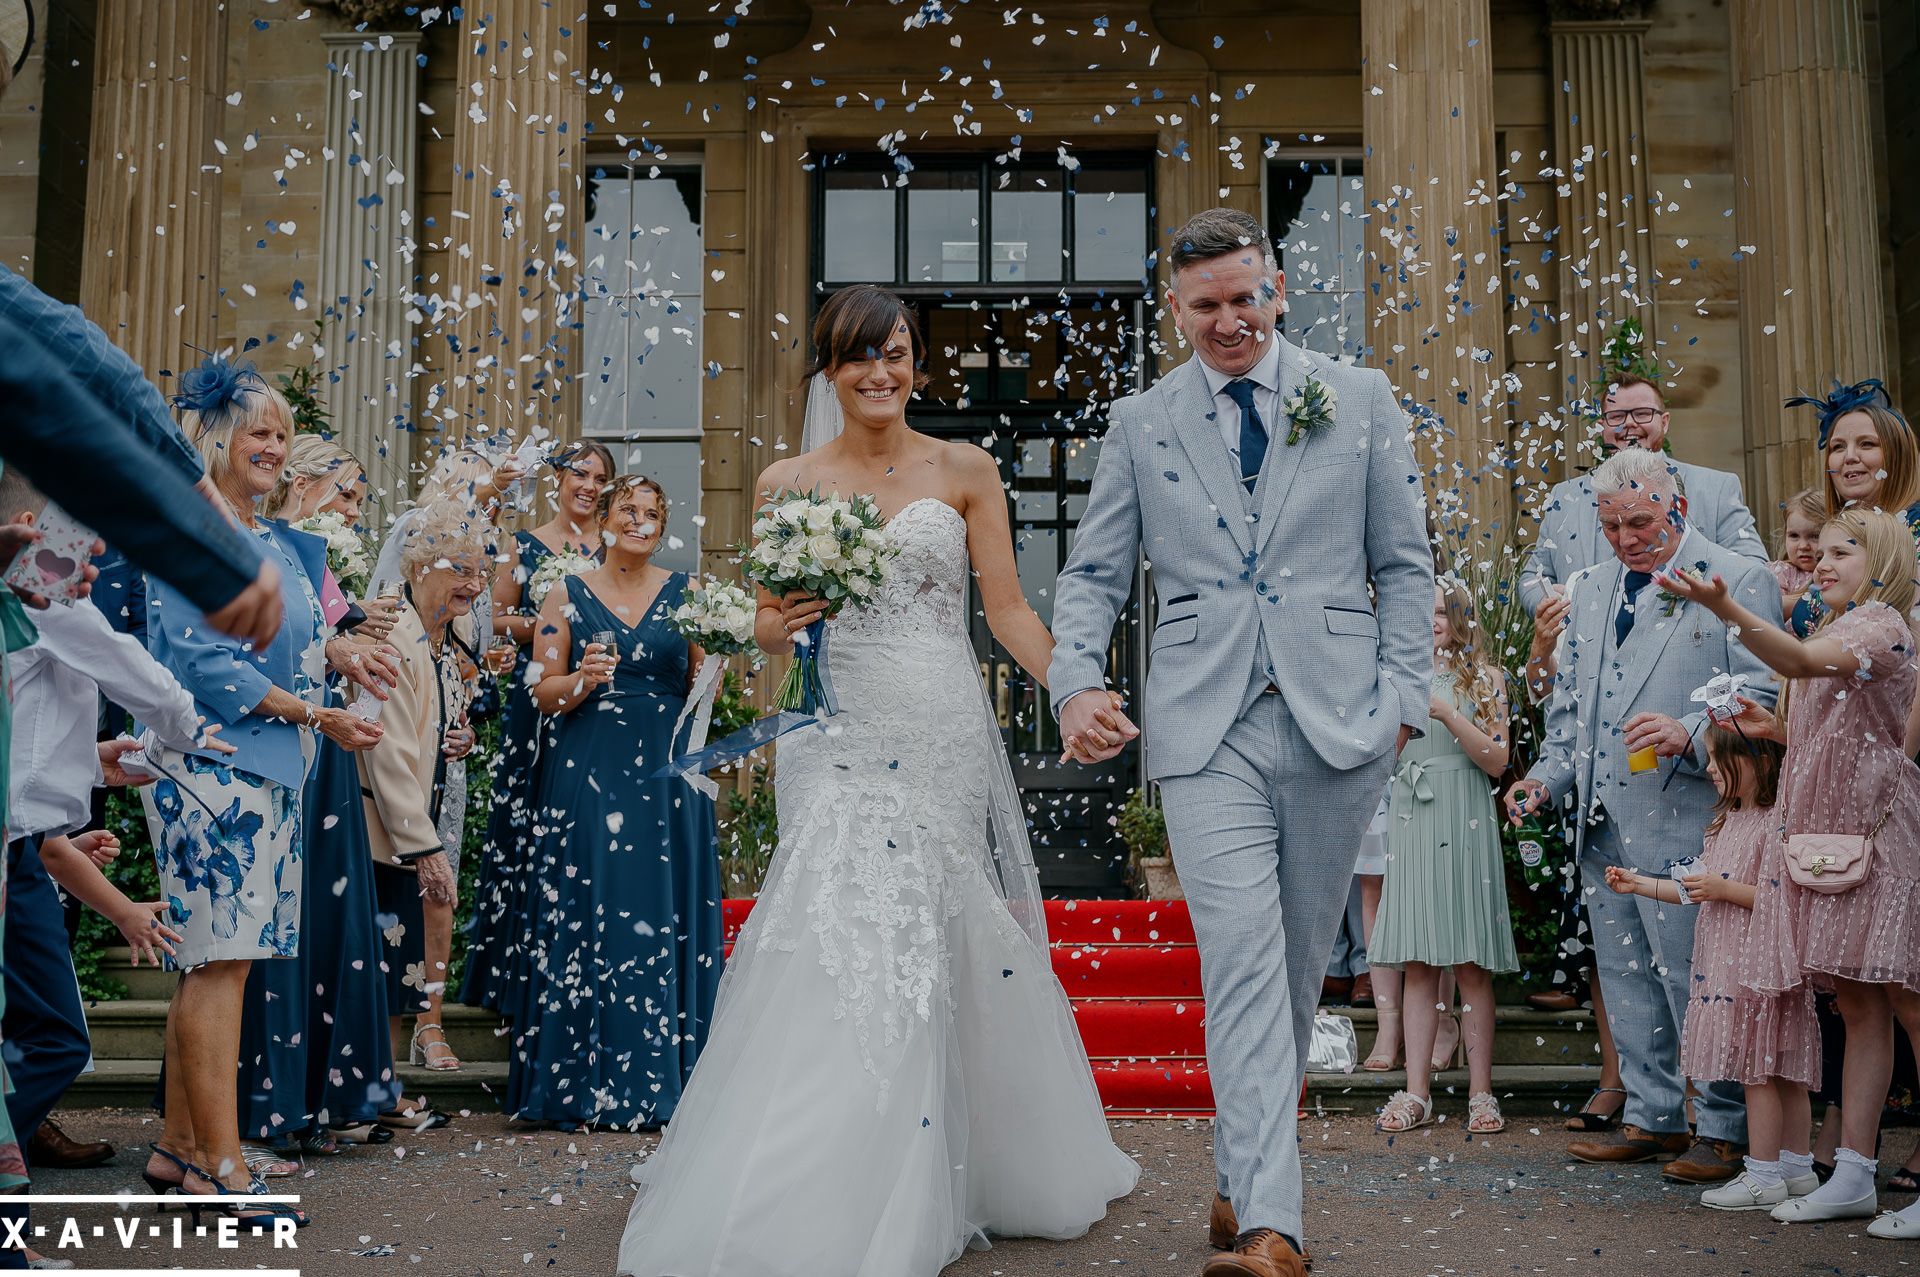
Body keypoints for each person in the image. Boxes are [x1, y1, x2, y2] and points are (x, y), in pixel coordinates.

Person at [616, 285, 1138, 1276]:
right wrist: (781, 616)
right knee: (832, 921)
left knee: (927, 921)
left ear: (919, 365)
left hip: (936, 721)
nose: (880, 371)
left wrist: (1077, 691)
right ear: (829, 368)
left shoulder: (966, 468)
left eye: (896, 353)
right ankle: (822, 1169)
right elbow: (766, 626)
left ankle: (940, 1158)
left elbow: (1013, 613)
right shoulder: (788, 479)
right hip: (834, 730)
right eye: (859, 355)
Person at [1049, 207, 1432, 1277]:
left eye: (1245, 297)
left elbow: (1404, 561)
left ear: (1275, 290)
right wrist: (1076, 680)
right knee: (1243, 959)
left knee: (1301, 965)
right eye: (1206, 304)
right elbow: (1090, 575)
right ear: (1175, 309)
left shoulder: (1357, 398)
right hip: (1202, 722)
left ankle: (1236, 1170)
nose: (1230, 321)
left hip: (1338, 714)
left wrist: (1404, 692)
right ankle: (1274, 1223)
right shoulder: (1141, 421)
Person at [139, 360, 387, 1227]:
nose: (276, 446)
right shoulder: (189, 528)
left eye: (283, 433)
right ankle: (228, 1167)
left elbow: (303, 643)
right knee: (218, 962)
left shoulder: (278, 540)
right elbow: (200, 661)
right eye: (259, 431)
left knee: (212, 960)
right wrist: (315, 713)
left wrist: (343, 662)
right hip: (208, 770)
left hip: (269, 771)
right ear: (215, 439)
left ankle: (178, 1148)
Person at [1505, 447, 1779, 1185]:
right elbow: (1569, 712)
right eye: (1610, 524)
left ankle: (1723, 1126)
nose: (1624, 537)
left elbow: (1765, 695)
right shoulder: (1589, 589)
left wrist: (1691, 733)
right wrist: (1541, 779)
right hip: (1601, 817)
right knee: (1625, 971)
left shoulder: (1734, 576)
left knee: (1699, 972)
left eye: (1639, 521)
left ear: (1677, 505)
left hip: (1693, 812)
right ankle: (1654, 1114)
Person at [1658, 507, 1920, 1238]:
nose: (1824, 561)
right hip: (1831, 844)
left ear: (1887, 557)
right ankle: (1856, 1176)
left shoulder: (1880, 624)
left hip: (1880, 841)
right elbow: (1831, 716)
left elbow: (1800, 664)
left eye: (1844, 550)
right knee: (1863, 1005)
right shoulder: (1839, 630)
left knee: (1909, 1003)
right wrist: (1774, 728)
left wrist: (1723, 606)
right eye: (1821, 550)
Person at [0, 467, 221, 1176]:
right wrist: (193, 725)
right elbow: (124, 665)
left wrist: (92, 766)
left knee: (47, 1033)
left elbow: (25, 738)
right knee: (59, 1039)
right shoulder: (40, 592)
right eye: (84, 537)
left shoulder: (23, 602)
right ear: (35, 534)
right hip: (18, 852)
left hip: (26, 839)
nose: (97, 556)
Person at [508, 476, 718, 1130]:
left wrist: (721, 660)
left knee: (660, 910)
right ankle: (582, 1084)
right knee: (591, 911)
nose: (640, 519)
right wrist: (581, 680)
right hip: (589, 772)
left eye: (652, 512)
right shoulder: (562, 592)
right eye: (628, 507)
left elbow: (703, 686)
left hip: (663, 778)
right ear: (604, 518)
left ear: (662, 524)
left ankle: (667, 1080)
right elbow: (541, 691)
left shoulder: (689, 594)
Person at [240, 436, 407, 1155]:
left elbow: (332, 641)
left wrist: (355, 645)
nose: (353, 506)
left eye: (360, 496)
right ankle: (264, 1098)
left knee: (325, 919)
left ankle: (320, 1093)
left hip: (325, 744)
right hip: (282, 742)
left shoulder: (312, 554)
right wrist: (347, 637)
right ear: (302, 482)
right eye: (346, 490)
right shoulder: (270, 546)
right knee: (275, 921)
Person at [1601, 725, 1823, 1211]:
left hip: (1761, 965)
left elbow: (1787, 898)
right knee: (1769, 1069)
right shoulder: (1724, 824)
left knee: (1766, 1071)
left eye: (1722, 764)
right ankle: (1795, 1169)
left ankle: (1769, 1173)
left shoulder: (1776, 825)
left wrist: (1723, 890)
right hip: (1732, 964)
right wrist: (1638, 884)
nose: (1712, 773)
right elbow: (1692, 887)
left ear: (1760, 763)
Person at [463, 441, 610, 1021]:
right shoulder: (519, 545)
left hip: (596, 705)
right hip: (535, 702)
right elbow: (494, 619)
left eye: (601, 477)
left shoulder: (617, 546)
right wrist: (553, 621)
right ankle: (514, 981)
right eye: (580, 472)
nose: (590, 485)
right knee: (526, 823)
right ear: (557, 478)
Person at [1370, 579, 1517, 1136]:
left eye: (1441, 611)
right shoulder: (1394, 677)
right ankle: (1416, 1093)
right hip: (1412, 814)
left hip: (1466, 815)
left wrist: (1447, 714)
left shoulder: (1487, 679)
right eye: (1423, 611)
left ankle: (1481, 1092)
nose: (1432, 620)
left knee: (1471, 962)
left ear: (1460, 618)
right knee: (1417, 961)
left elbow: (1498, 761)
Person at [359, 498, 487, 1098]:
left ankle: (380, 1096)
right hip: (384, 827)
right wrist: (424, 848)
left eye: (480, 571)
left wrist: (460, 734)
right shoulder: (394, 635)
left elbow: (438, 719)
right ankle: (374, 1096)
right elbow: (384, 749)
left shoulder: (446, 638)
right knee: (386, 956)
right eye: (460, 569)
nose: (474, 583)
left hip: (421, 814)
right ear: (418, 566)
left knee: (401, 956)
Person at [1520, 373, 1764, 616]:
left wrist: (1693, 599)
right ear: (1601, 426)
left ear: (1665, 422)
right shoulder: (1564, 496)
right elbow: (1533, 577)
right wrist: (1555, 605)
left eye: (1642, 413)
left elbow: (1753, 569)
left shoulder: (1716, 487)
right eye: (1616, 416)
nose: (1629, 424)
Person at [1772, 487, 1825, 622]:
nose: (1803, 546)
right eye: (1794, 536)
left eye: (1814, 536)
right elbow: (1768, 613)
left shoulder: (1835, 572)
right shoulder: (1781, 573)